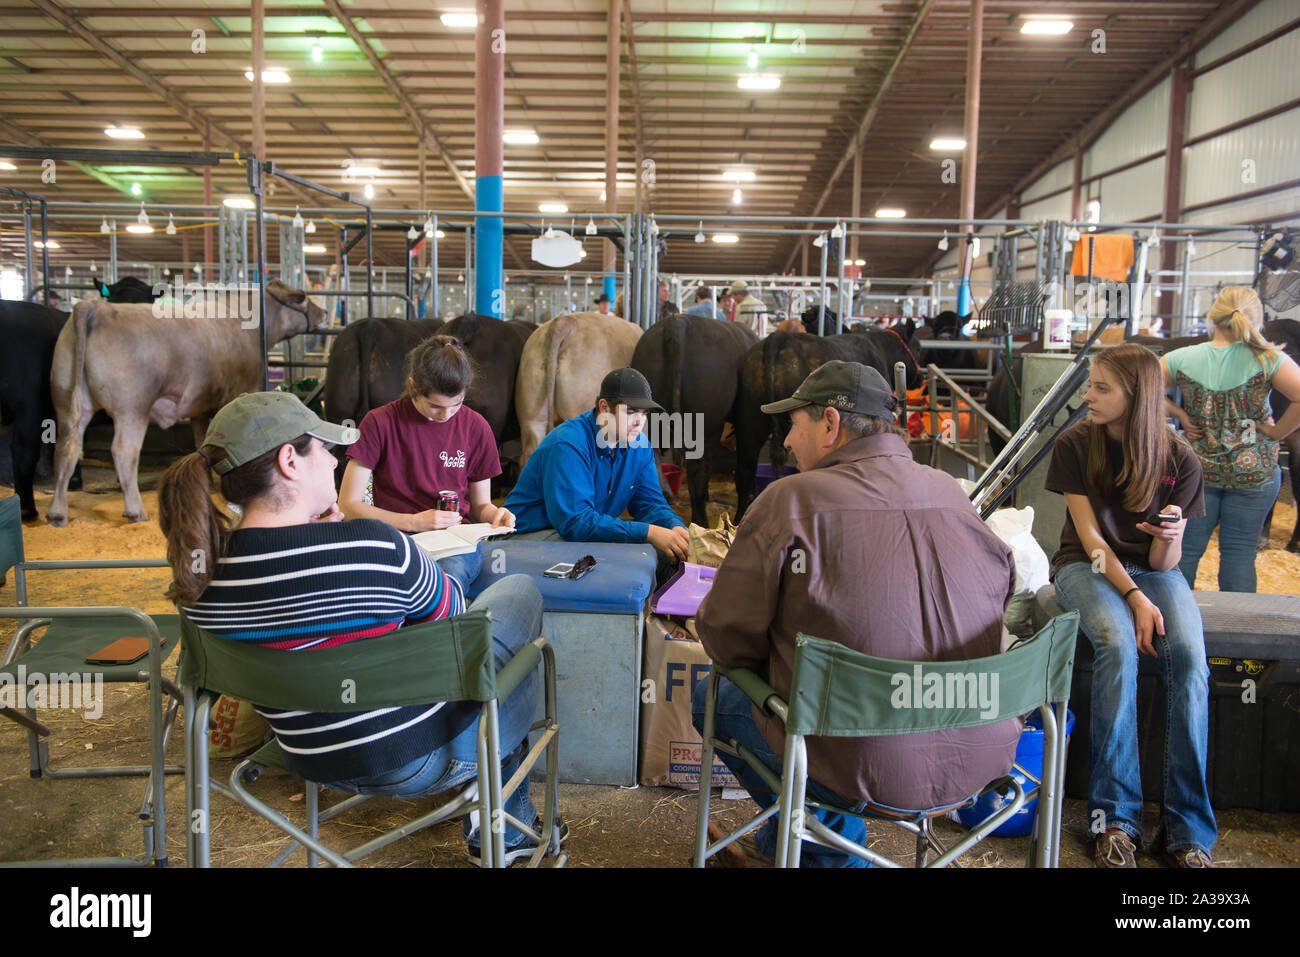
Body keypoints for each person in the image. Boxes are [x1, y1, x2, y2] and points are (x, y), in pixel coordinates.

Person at [157, 391, 557, 865]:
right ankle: (505, 826)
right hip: (421, 760)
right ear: (290, 460)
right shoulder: (374, 546)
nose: (333, 460)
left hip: (305, 756)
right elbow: (455, 621)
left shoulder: (197, 580)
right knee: (517, 593)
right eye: (323, 449)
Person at [691, 361, 1020, 867]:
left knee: (712, 690)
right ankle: (790, 844)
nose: (786, 443)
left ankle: (835, 858)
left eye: (793, 426)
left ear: (829, 423)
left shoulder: (790, 501)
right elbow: (1001, 594)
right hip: (978, 752)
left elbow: (726, 635)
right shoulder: (953, 492)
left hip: (862, 766)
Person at [1045, 343, 1215, 868]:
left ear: (1137, 395)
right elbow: (1092, 540)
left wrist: (1171, 534)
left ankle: (1187, 830)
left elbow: (1167, 564)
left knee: (1189, 660)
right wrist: (1135, 597)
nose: (1089, 396)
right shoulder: (1076, 444)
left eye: (1102, 387)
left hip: (1152, 572)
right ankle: (1114, 820)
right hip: (1087, 566)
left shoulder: (1180, 459)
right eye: (1090, 384)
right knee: (1117, 645)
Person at [1163, 287, 1300, 592]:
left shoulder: (1183, 357)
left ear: (1213, 316)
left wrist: (1180, 415)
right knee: (1239, 553)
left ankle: (1175, 624)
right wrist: (1277, 433)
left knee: (1186, 552)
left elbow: (1138, 387)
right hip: (1255, 471)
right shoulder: (1269, 359)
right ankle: (1238, 629)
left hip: (1198, 471)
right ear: (1257, 319)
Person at [503, 367, 689, 567]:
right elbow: (575, 523)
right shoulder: (569, 444)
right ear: (604, 407)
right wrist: (649, 532)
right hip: (526, 537)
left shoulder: (640, 446)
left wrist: (673, 526)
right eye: (631, 412)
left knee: (667, 553)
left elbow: (650, 504)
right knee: (619, 561)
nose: (639, 422)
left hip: (569, 536)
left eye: (644, 414)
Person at [338, 335, 513, 533]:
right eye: (434, 406)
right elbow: (347, 505)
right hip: (396, 534)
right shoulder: (379, 422)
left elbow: (480, 506)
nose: (446, 415)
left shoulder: (476, 427)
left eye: (457, 404)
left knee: (453, 565)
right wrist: (412, 523)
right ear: (413, 387)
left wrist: (495, 514)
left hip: (453, 538)